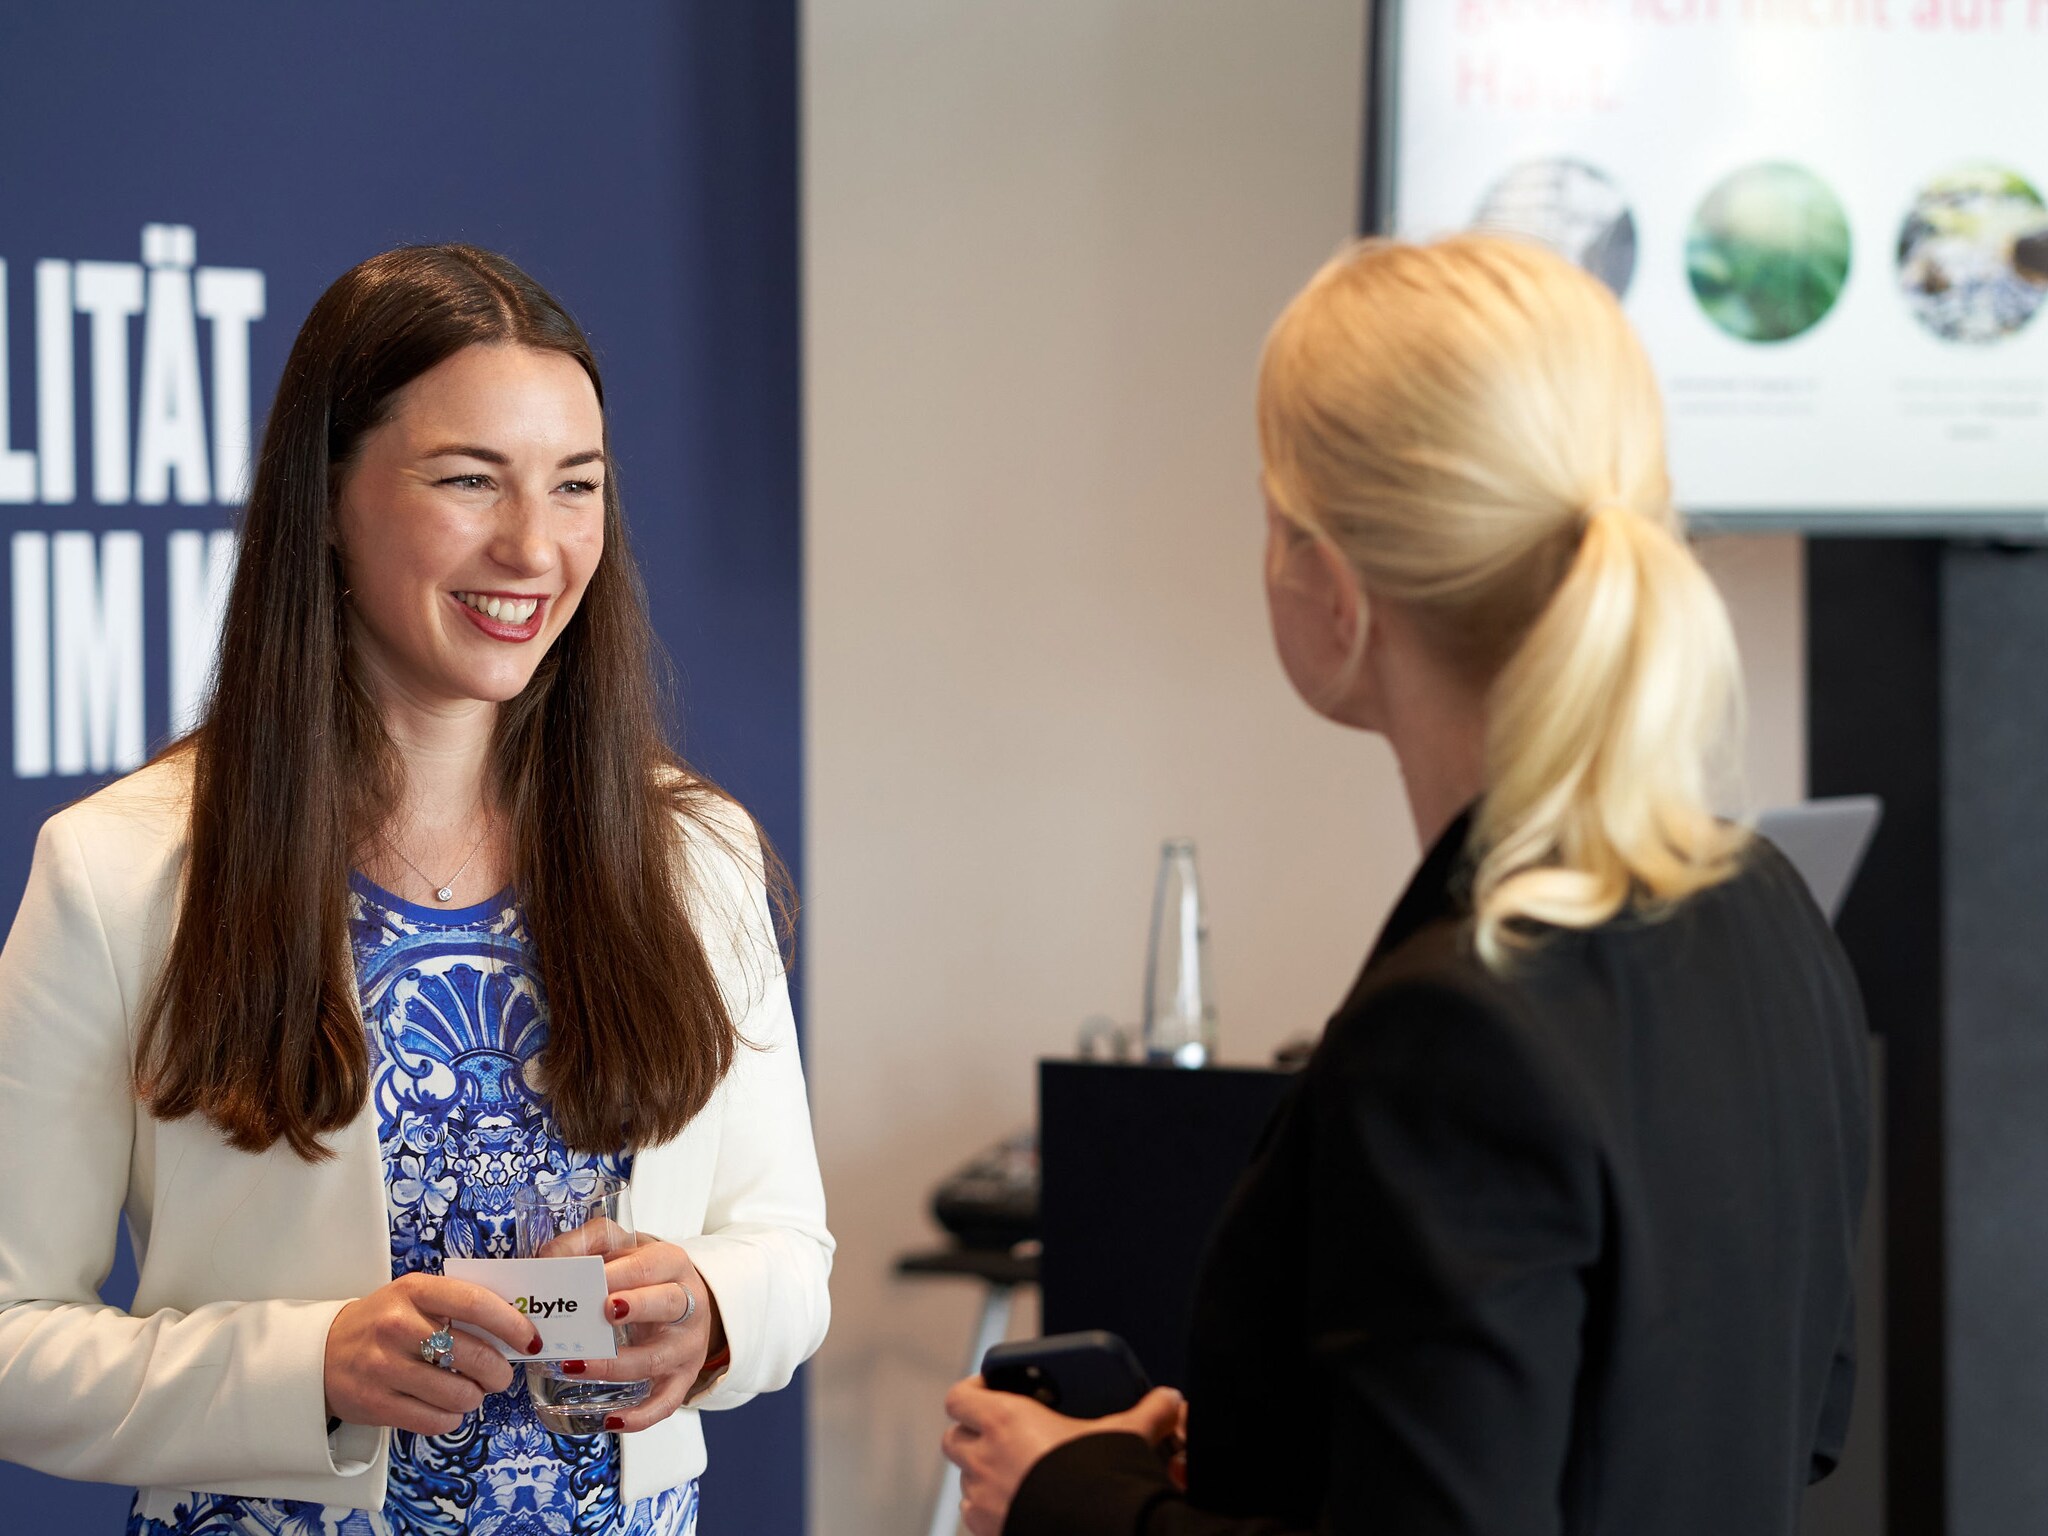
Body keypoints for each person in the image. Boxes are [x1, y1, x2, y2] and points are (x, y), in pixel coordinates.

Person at [942, 235, 1869, 1536]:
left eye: (1271, 512)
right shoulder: (1769, 911)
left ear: (1335, 588)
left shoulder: (1454, 1032)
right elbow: (1784, 1420)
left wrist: (1071, 1496)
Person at [0, 245, 831, 1534]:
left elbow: (788, 1251)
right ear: (328, 499)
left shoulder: (695, 854)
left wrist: (710, 1311)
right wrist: (310, 1368)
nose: (534, 546)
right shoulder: (120, 868)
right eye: (468, 480)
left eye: (576, 485)